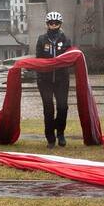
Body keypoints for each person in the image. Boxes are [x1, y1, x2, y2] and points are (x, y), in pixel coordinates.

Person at [35, 11, 71, 148]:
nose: (54, 25)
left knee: (63, 107)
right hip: (45, 80)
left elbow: (70, 57)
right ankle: (50, 138)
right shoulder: (41, 39)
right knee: (48, 108)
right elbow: (38, 59)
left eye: (56, 23)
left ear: (60, 24)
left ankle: (60, 133)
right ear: (47, 24)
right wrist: (39, 75)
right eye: (51, 23)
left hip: (62, 79)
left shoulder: (66, 40)